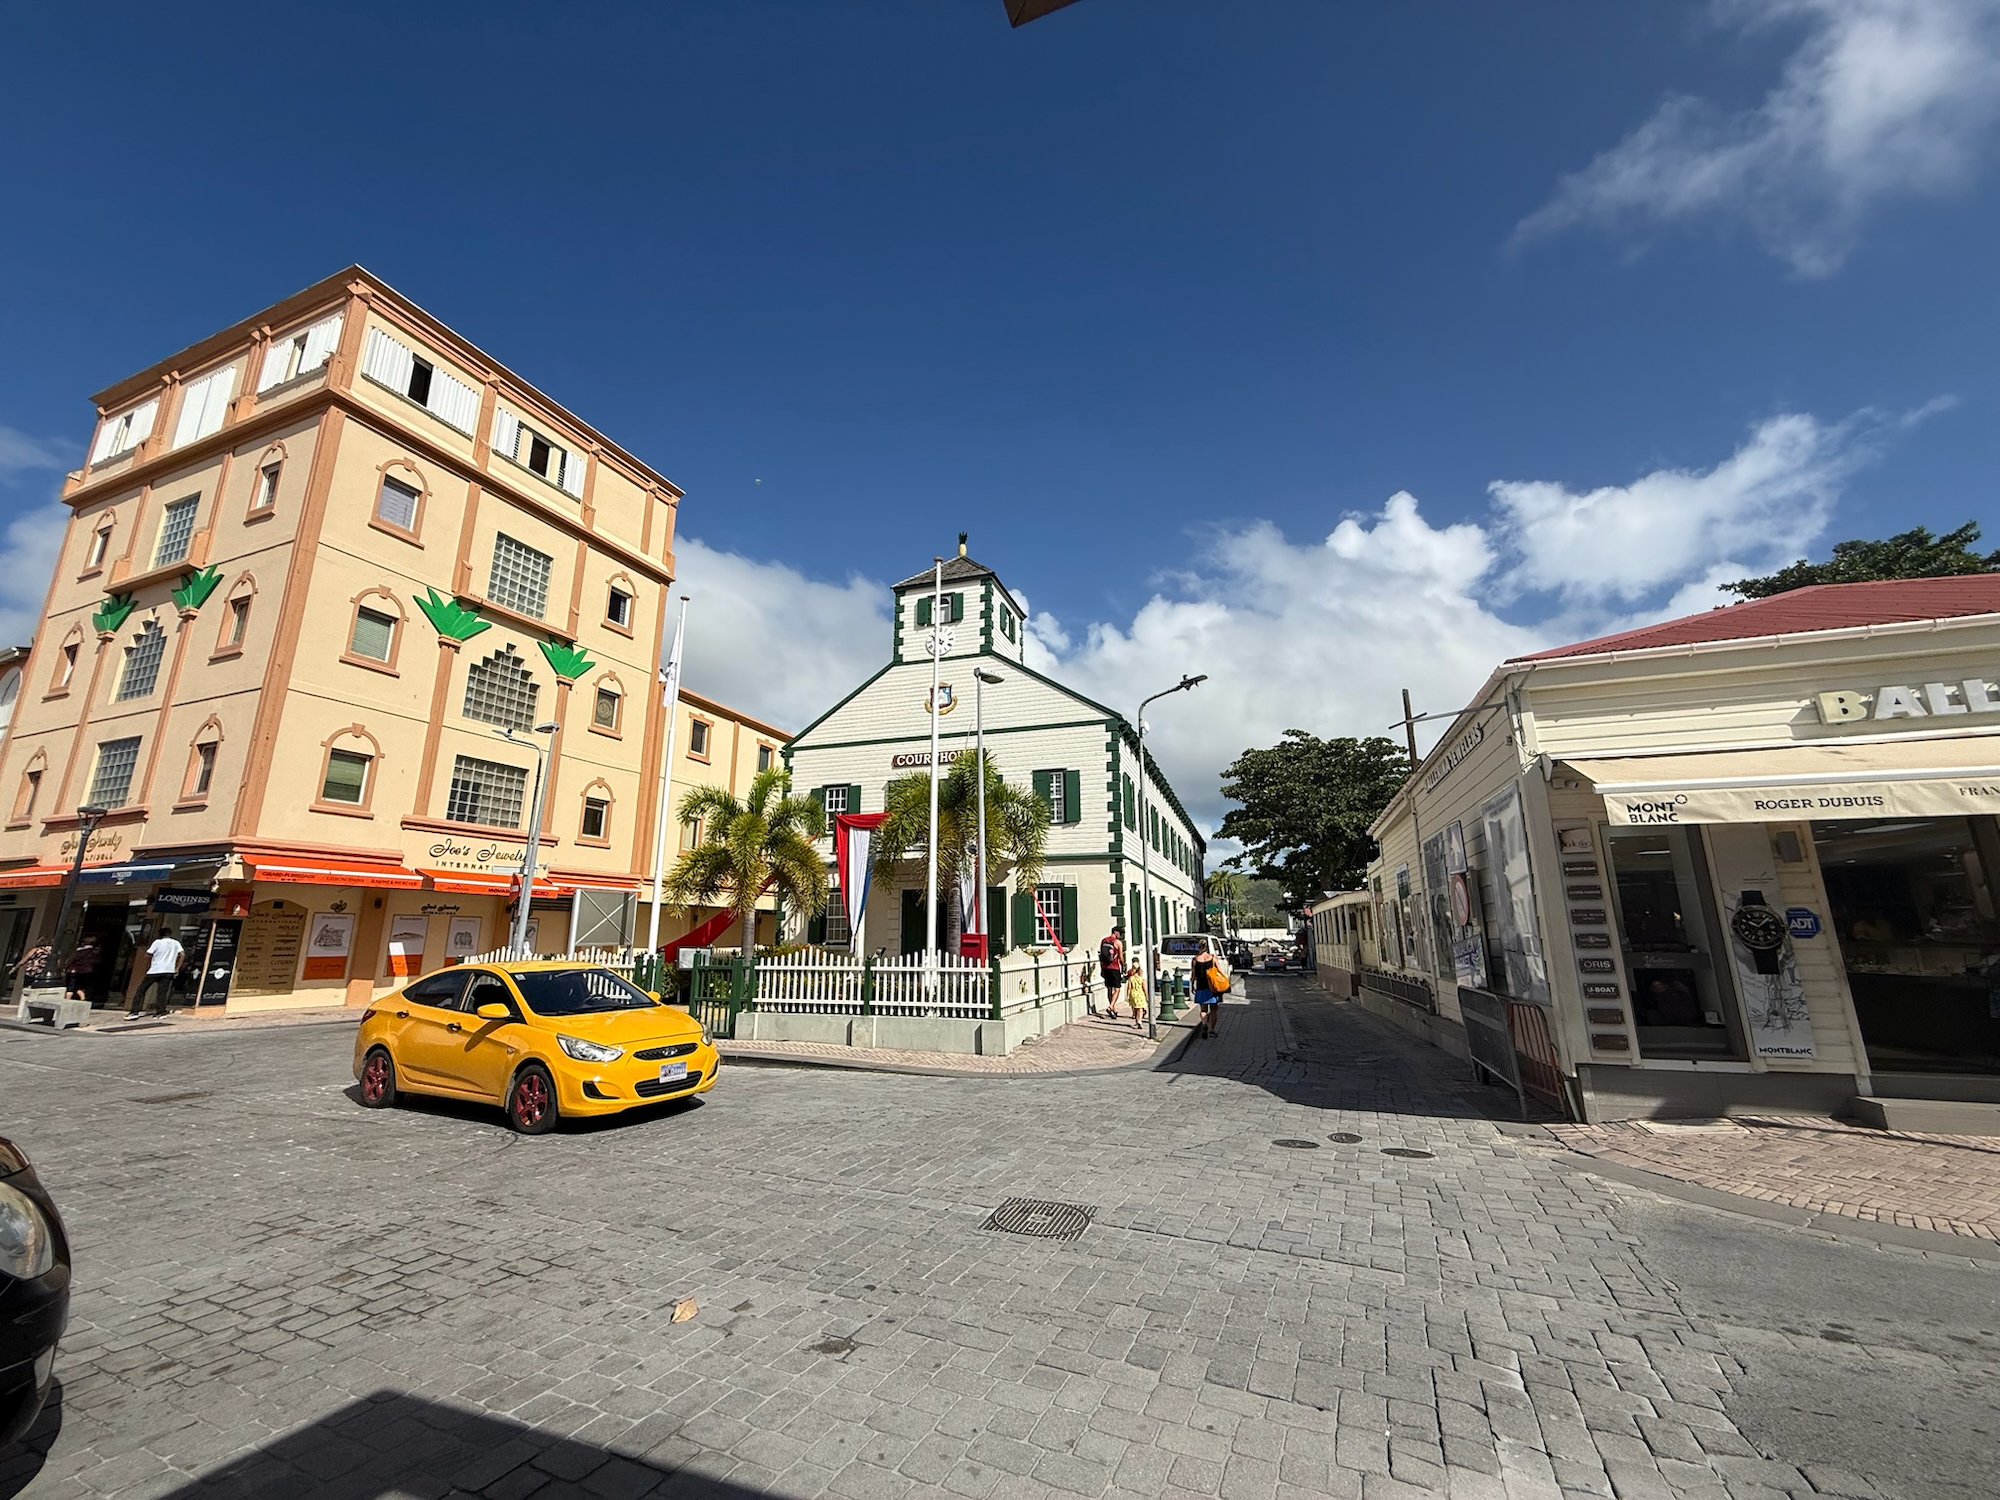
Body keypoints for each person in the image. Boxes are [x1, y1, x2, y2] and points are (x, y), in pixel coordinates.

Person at [129, 928, 186, 1018]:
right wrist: (177, 968)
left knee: (141, 990)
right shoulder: (176, 943)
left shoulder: (157, 942)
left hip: (155, 970)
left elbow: (148, 955)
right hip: (168, 970)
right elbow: (182, 954)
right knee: (162, 992)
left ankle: (134, 1011)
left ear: (160, 934)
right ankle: (160, 1011)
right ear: (170, 934)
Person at [1191, 936, 1226, 1039]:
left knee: (1203, 1009)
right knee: (1214, 1009)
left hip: (1201, 986)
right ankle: (1212, 1030)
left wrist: (1192, 984)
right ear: (1207, 947)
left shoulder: (1195, 959)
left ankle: (1204, 1024)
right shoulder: (1212, 958)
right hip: (1212, 987)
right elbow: (1219, 971)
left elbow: (1193, 975)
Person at [63, 935, 102, 1006]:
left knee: (71, 987)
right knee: (81, 986)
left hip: (74, 970)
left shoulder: (79, 951)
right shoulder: (94, 953)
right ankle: (83, 999)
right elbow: (96, 961)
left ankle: (67, 1000)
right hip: (86, 972)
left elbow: (71, 960)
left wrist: (66, 968)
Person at [1098, 927, 1126, 1018]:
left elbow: (1101, 955)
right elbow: (1121, 957)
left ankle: (1113, 1009)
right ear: (1115, 932)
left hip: (1105, 968)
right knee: (1117, 989)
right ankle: (1111, 1006)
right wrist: (1123, 965)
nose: (1120, 935)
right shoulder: (1118, 943)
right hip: (1114, 968)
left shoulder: (1104, 941)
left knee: (1109, 988)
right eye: (1120, 933)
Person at [1124, 960, 1148, 1032]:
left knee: (1134, 1008)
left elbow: (1129, 988)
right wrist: (1146, 996)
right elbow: (1144, 988)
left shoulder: (1131, 978)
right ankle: (1139, 1020)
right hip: (1140, 994)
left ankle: (1136, 1020)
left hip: (1133, 994)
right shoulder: (1141, 979)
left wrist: (1127, 996)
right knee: (1140, 1008)